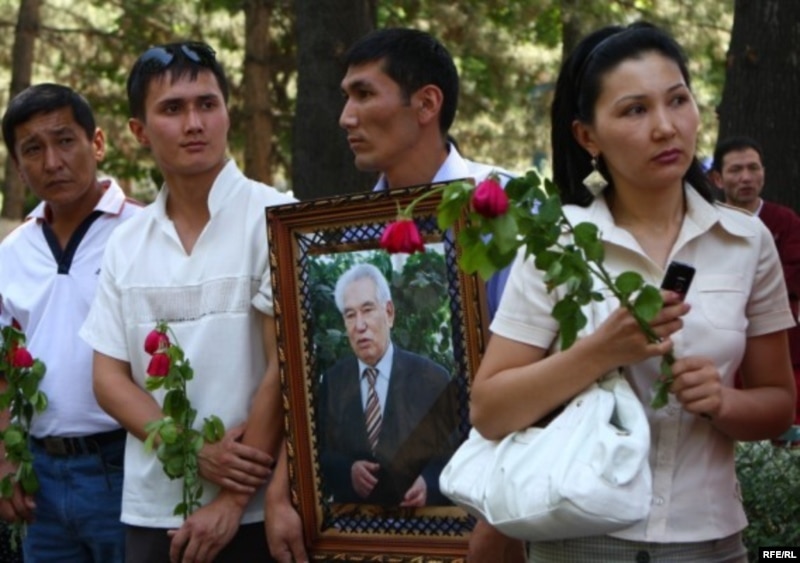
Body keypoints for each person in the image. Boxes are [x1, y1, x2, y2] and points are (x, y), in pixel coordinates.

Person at [469, 22, 796, 562]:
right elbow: (490, 409)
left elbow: (779, 404)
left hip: (711, 542)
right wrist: (601, 350)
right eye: (635, 110)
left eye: (678, 100)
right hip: (580, 541)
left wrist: (724, 402)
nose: (666, 127)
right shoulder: (561, 241)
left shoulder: (746, 240)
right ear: (587, 137)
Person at [264, 28, 524, 563]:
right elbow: (307, 392)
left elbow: (536, 372)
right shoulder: (347, 233)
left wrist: (503, 511)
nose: (345, 117)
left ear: (426, 103)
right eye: (345, 97)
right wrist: (281, 491)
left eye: (364, 94)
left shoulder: (505, 208)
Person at [79, 41, 295, 563]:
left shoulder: (277, 216)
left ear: (227, 113)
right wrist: (192, 449)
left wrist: (232, 500)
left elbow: (287, 365)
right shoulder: (126, 243)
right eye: (172, 108)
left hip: (260, 514)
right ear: (139, 130)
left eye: (207, 104)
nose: (194, 123)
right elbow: (109, 378)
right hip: (153, 511)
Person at [0, 83, 142, 561]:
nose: (52, 162)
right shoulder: (12, 253)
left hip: (126, 465)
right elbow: (3, 366)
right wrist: (5, 458)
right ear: (18, 165)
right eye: (32, 150)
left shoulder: (143, 231)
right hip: (40, 474)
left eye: (65, 141)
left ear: (96, 143)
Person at [317, 263, 458, 506]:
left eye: (367, 310)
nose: (360, 325)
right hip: (355, 522)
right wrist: (347, 472)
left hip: (419, 522)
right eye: (350, 315)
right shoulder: (333, 382)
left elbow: (459, 456)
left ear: (389, 313)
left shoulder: (432, 379)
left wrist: (428, 484)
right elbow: (318, 454)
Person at [710, 135, 800, 427]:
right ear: (717, 179)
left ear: (763, 173)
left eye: (753, 168)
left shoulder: (785, 221)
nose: (746, 177)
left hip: (781, 342)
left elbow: (792, 276)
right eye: (736, 170)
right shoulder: (709, 225)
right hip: (724, 336)